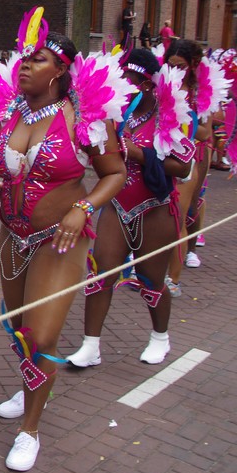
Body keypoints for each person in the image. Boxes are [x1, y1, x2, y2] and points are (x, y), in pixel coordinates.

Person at [0, 7, 129, 471]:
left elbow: (114, 173)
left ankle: (30, 430)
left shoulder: (85, 116)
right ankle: (28, 387)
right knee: (20, 328)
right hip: (10, 236)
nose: (24, 66)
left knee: (42, 335)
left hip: (59, 241)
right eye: (23, 58)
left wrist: (83, 209)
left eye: (36, 59)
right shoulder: (7, 111)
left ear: (60, 70)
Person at [69, 49, 192, 368]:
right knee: (101, 273)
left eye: (131, 79)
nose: (123, 84)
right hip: (116, 205)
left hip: (156, 207)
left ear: (148, 85)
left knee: (151, 279)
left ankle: (160, 337)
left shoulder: (169, 113)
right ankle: (91, 346)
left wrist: (140, 154)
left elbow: (183, 167)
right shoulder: (114, 112)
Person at [163, 40, 228, 295]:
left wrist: (181, 120)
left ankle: (177, 271)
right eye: (171, 65)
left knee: (186, 209)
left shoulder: (201, 91)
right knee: (160, 213)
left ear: (193, 65)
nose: (175, 71)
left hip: (193, 154)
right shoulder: (162, 84)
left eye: (180, 66)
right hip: (163, 153)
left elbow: (205, 133)